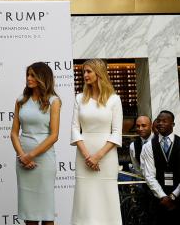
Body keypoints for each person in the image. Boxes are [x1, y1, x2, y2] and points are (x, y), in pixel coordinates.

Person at [70, 58, 123, 224]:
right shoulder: (79, 98)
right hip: (83, 157)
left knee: (107, 198)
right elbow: (74, 129)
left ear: (99, 73)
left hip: (106, 158)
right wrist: (88, 157)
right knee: (84, 200)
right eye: (83, 72)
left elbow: (116, 133)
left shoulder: (114, 99)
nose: (85, 75)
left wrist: (97, 156)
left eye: (88, 71)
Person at [10, 62, 61, 225]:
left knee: (47, 213)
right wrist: (21, 155)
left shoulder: (54, 101)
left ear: (42, 77)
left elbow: (54, 136)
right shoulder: (20, 100)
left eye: (32, 75)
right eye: (28, 75)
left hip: (44, 160)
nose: (28, 78)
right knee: (29, 212)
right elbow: (13, 133)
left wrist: (30, 156)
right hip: (23, 160)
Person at [141, 110, 180, 225]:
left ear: (172, 124)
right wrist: (163, 197)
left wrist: (173, 195)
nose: (160, 123)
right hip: (158, 200)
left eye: (164, 121)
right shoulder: (148, 147)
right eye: (158, 121)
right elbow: (149, 175)